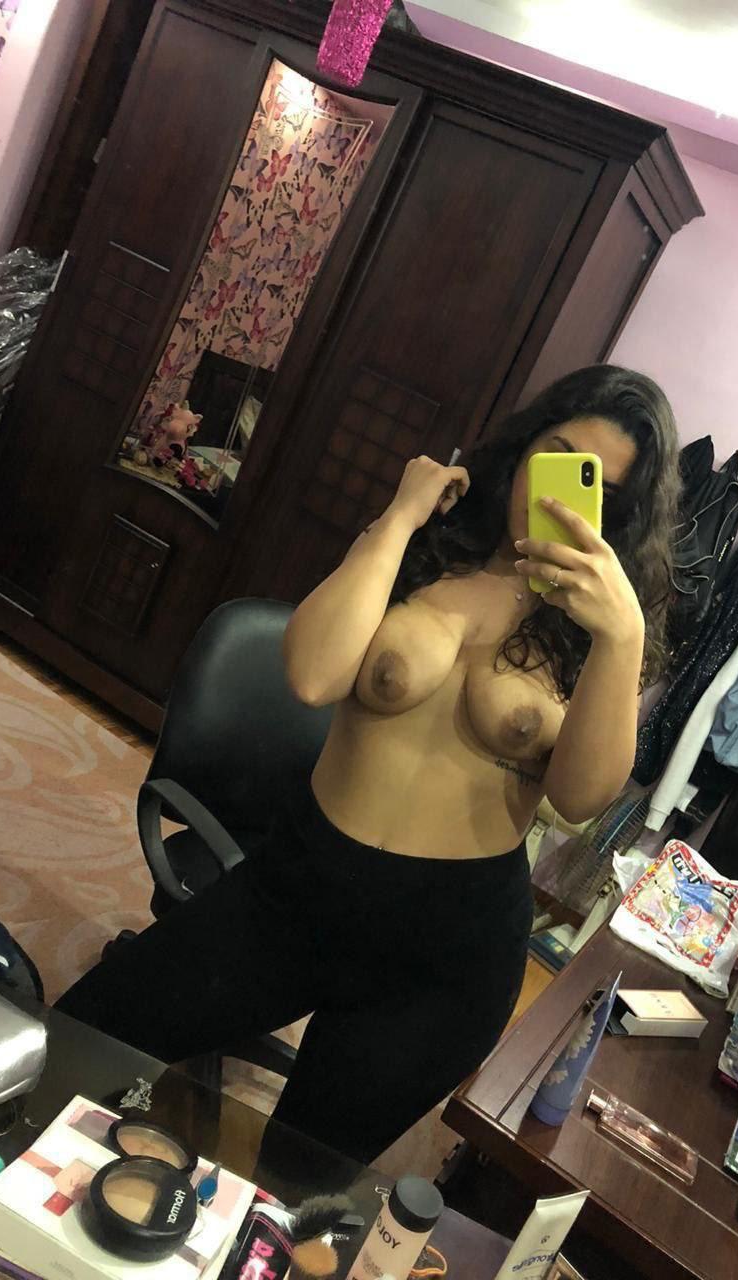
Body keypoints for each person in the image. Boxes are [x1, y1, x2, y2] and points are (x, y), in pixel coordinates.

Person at [56, 365, 681, 1165]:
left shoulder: (595, 626)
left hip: (447, 954)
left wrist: (622, 637)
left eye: (598, 488)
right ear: (525, 447)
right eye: (557, 456)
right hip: (298, 885)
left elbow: (581, 796)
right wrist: (399, 516)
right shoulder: (427, 547)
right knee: (79, 1043)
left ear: (619, 513)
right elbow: (313, 675)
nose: (559, 496)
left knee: (296, 1177)